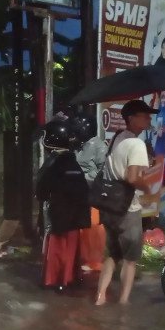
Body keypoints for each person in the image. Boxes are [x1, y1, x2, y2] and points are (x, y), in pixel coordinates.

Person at [95, 99, 164, 305]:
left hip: (109, 206)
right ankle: (124, 303)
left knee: (112, 254)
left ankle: (100, 297)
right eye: (144, 115)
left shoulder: (118, 137)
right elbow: (133, 177)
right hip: (127, 208)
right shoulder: (136, 144)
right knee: (130, 259)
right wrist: (147, 187)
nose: (149, 119)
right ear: (131, 119)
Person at [37, 119, 91, 291]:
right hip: (75, 216)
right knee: (71, 248)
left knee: (57, 248)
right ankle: (68, 279)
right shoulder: (72, 161)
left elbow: (41, 189)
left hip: (59, 215)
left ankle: (55, 279)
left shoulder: (54, 162)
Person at [72, 115, 105, 274]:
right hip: (79, 191)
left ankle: (95, 261)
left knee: (93, 227)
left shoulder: (99, 146)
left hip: (92, 190)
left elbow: (103, 170)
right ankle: (85, 258)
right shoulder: (80, 145)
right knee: (82, 227)